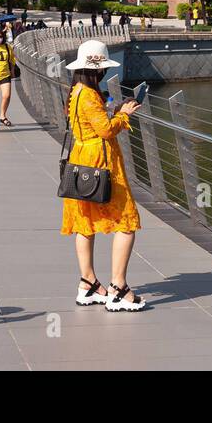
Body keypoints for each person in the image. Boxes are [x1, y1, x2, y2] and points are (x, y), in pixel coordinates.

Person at [61, 39, 145, 311]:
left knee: (84, 222)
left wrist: (112, 110)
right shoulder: (88, 94)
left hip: (81, 159)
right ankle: (118, 288)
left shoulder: (76, 91)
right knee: (127, 219)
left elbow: (92, 121)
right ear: (96, 71)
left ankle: (88, 282)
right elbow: (107, 130)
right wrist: (123, 115)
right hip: (101, 161)